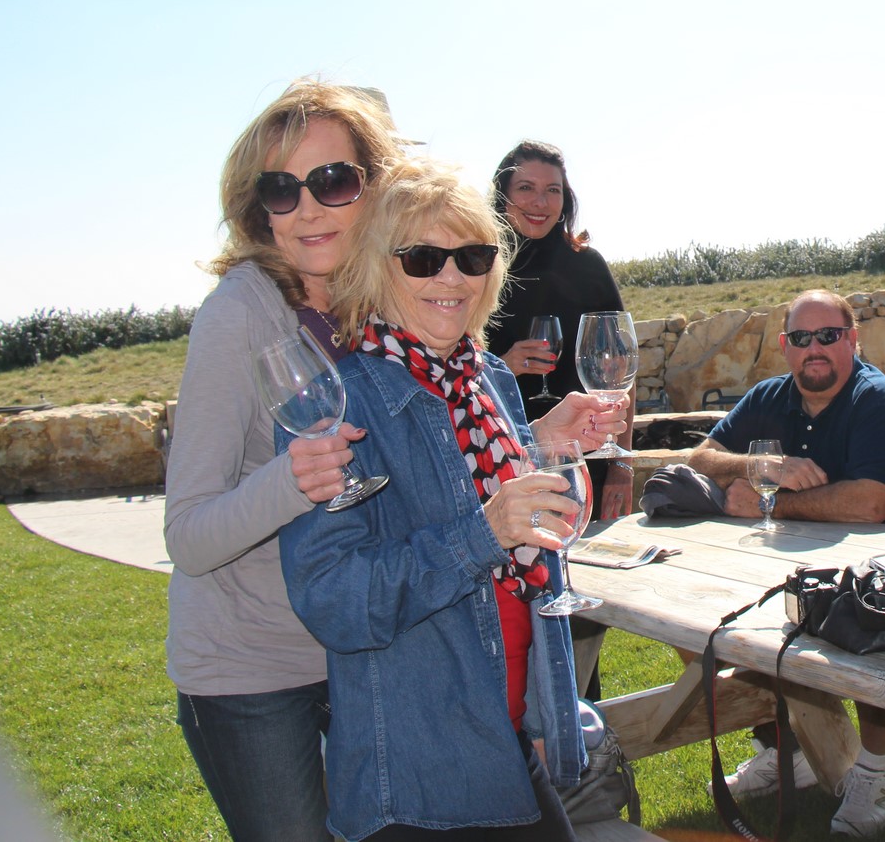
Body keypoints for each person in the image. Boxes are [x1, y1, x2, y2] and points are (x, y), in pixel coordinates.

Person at [278, 158, 627, 841]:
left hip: (506, 736)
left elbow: (470, 482)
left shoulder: (485, 377)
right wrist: (482, 532)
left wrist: (543, 445)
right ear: (379, 266)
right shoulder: (337, 406)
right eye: (423, 257)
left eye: (471, 256)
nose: (451, 277)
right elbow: (336, 601)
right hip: (418, 775)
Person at [164, 79, 404, 842]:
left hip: (356, 648)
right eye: (282, 188)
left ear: (373, 185)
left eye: (333, 181)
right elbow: (190, 535)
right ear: (257, 205)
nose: (307, 208)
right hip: (246, 670)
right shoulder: (239, 315)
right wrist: (291, 481)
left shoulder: (381, 305)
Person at [687, 289, 885, 838]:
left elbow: (873, 503)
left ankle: (874, 773)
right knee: (701, 622)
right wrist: (763, 463)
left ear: (853, 340)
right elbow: (701, 457)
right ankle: (790, 751)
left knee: (875, 640)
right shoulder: (771, 396)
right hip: (805, 561)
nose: (815, 349)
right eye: (801, 338)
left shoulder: (880, 400)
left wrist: (766, 500)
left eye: (829, 336)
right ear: (784, 347)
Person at [485, 141, 634, 520]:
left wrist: (622, 466)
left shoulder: (586, 266)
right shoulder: (476, 265)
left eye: (552, 190)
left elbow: (623, 372)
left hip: (587, 459)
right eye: (526, 188)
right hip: (501, 461)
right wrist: (505, 365)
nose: (540, 202)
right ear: (502, 196)